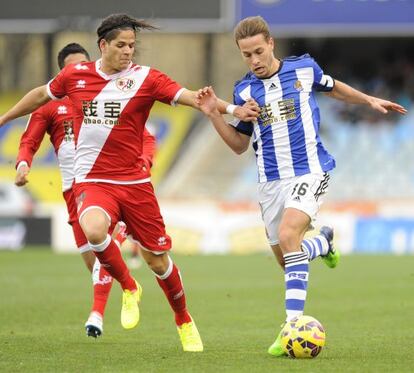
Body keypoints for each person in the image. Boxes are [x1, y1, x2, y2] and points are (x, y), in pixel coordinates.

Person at [0, 13, 258, 352]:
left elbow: (192, 97)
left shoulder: (147, 78)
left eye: (132, 46)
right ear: (102, 45)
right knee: (93, 231)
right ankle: (129, 285)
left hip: (135, 184)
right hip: (93, 180)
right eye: (121, 45)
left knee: (158, 262)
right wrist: (4, 118)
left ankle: (183, 319)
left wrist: (231, 110)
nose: (127, 52)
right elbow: (39, 95)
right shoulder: (75, 76)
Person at [196, 16, 407, 357]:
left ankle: (291, 328)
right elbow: (238, 145)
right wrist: (214, 114)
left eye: (259, 52)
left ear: (272, 44)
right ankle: (321, 243)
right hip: (269, 183)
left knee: (291, 235)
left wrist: (369, 100)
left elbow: (334, 86)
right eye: (247, 55)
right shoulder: (244, 91)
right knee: (288, 259)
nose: (255, 61)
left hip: (310, 171)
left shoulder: (304, 69)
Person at [14, 42, 157, 338]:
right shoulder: (50, 107)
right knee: (96, 262)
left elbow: (146, 137)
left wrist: (146, 160)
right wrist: (23, 163)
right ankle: (126, 287)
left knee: (103, 240)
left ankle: (97, 314)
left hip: (107, 185)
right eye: (73, 66)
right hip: (72, 191)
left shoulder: (109, 98)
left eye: (84, 63)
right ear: (64, 72)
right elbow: (29, 140)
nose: (80, 70)